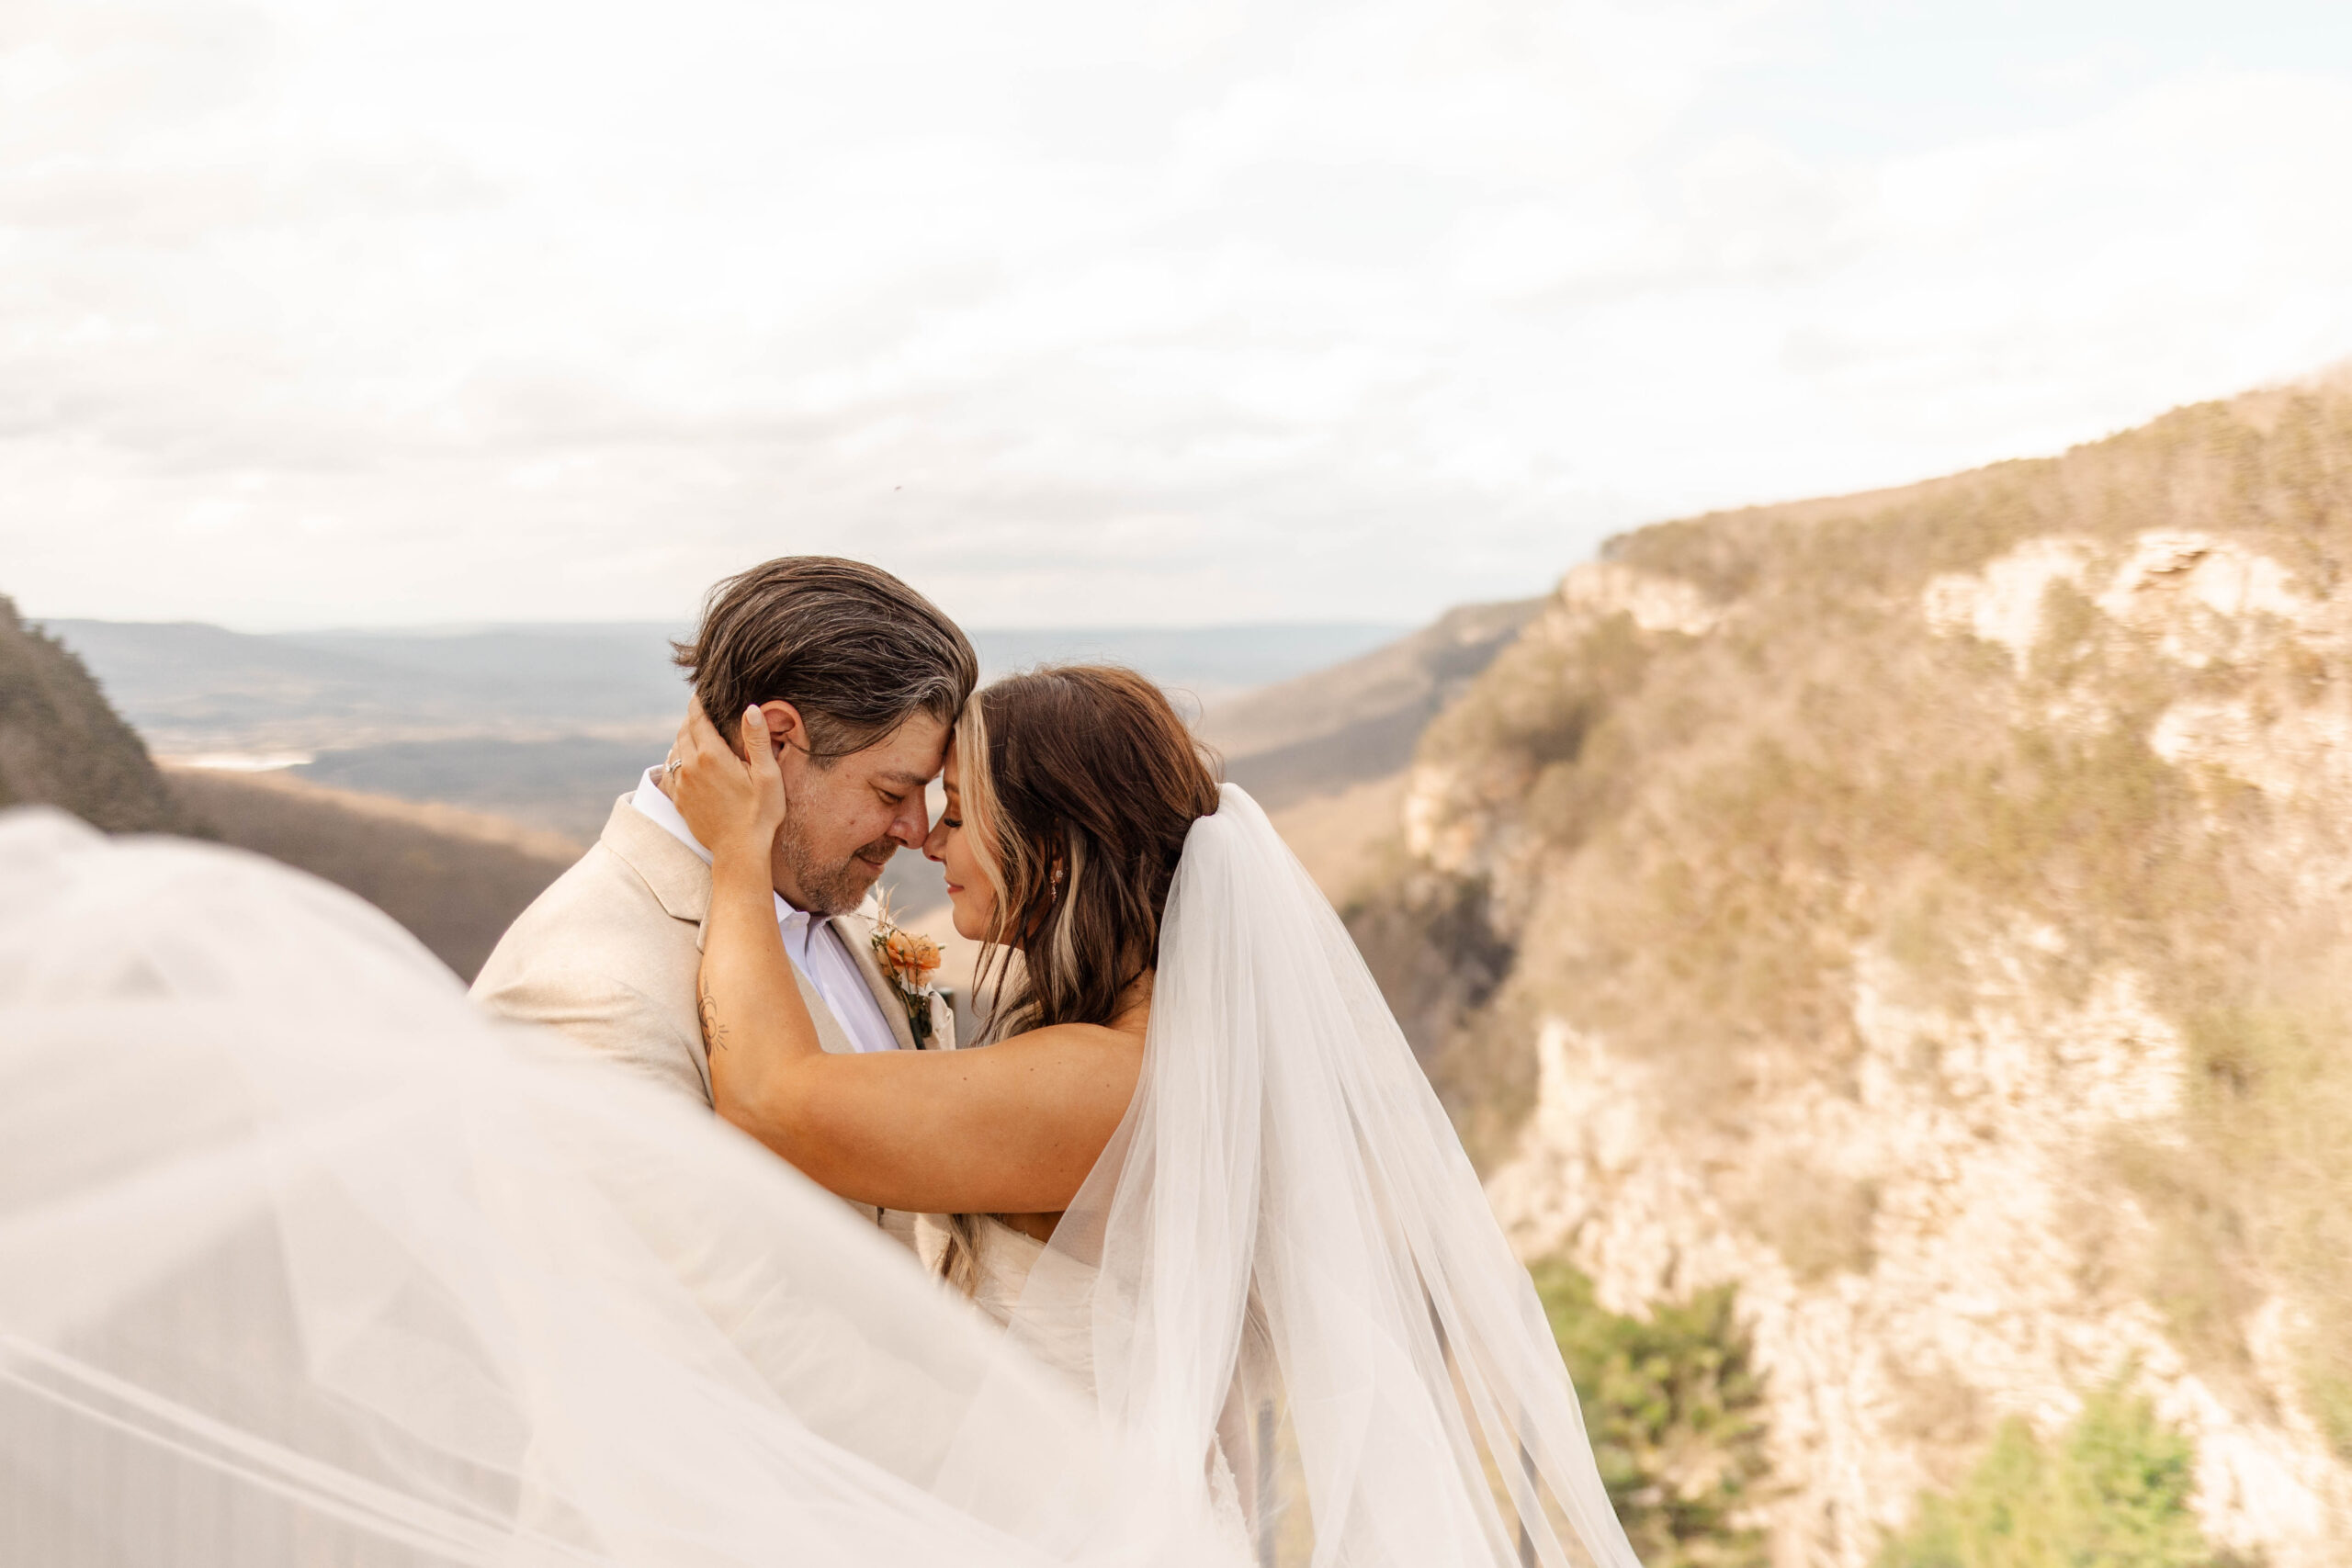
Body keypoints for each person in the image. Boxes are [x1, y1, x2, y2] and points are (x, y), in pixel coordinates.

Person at [666, 664, 1645, 1567]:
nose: (928, 838)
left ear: (1050, 848)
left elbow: (771, 1101)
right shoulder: (1176, 1043)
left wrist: (737, 857)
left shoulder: (1103, 1083)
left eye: (961, 816)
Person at [470, 556, 974, 1243]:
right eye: (890, 792)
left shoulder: (825, 899)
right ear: (774, 739)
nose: (916, 831)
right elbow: (663, 1305)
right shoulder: (583, 985)